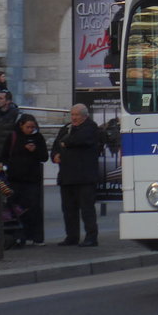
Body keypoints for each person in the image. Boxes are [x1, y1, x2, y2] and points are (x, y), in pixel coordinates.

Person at [51, 103, 100, 246]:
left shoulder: (90, 127)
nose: (74, 118)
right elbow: (56, 145)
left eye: (77, 115)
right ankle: (71, 236)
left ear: (85, 116)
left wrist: (65, 143)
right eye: (72, 115)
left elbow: (79, 140)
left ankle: (91, 237)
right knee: (68, 209)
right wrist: (55, 155)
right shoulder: (66, 128)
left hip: (84, 177)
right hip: (67, 176)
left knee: (87, 209)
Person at [0, 113, 48, 245]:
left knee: (33, 207)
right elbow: (4, 155)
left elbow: (44, 156)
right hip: (15, 178)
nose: (30, 130)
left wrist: (35, 150)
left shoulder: (37, 138)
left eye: (32, 127)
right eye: (28, 127)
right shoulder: (13, 137)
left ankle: (35, 236)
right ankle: (15, 235)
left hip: (32, 179)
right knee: (15, 208)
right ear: (21, 126)